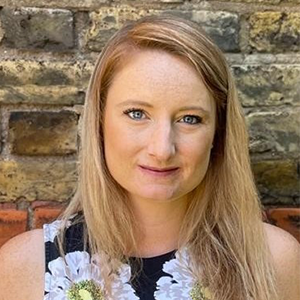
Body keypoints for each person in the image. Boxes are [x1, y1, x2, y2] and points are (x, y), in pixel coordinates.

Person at [0, 14, 299, 300]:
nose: (162, 148)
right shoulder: (29, 269)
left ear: (218, 133)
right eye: (137, 114)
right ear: (99, 123)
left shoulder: (271, 261)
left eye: (190, 119)